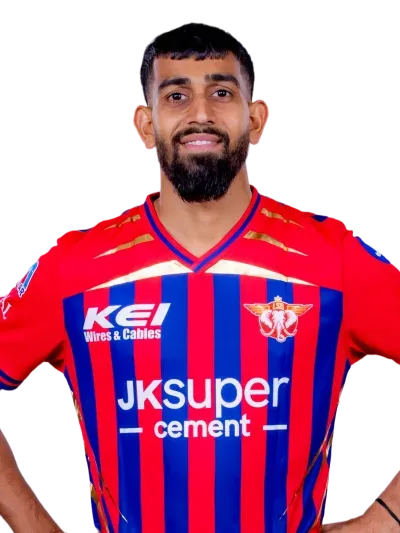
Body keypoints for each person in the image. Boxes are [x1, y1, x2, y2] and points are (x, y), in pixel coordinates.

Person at [0, 21, 399, 533]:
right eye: (177, 95)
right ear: (145, 124)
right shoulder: (74, 267)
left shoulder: (333, 258)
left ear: (256, 118)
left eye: (222, 92)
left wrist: (384, 520)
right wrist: (34, 524)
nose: (201, 113)